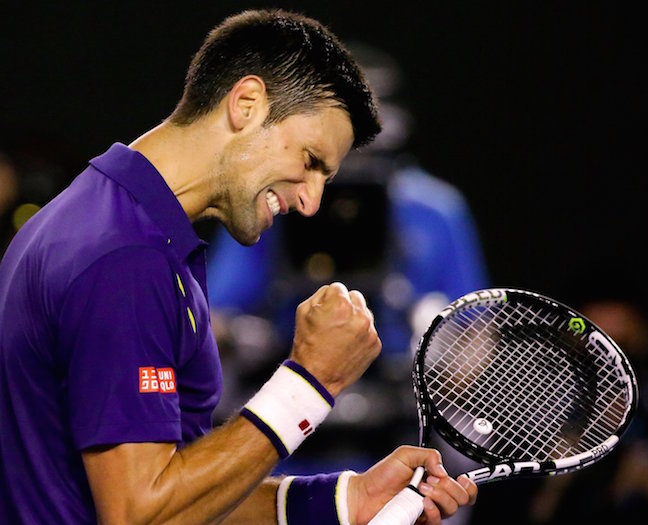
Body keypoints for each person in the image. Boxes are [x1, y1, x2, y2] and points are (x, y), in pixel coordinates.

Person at [0, 9, 477, 525]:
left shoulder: (102, 221)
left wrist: (343, 502)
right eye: (311, 160)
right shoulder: (124, 259)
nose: (313, 202)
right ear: (246, 105)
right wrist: (311, 381)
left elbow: (179, 497)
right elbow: (141, 514)